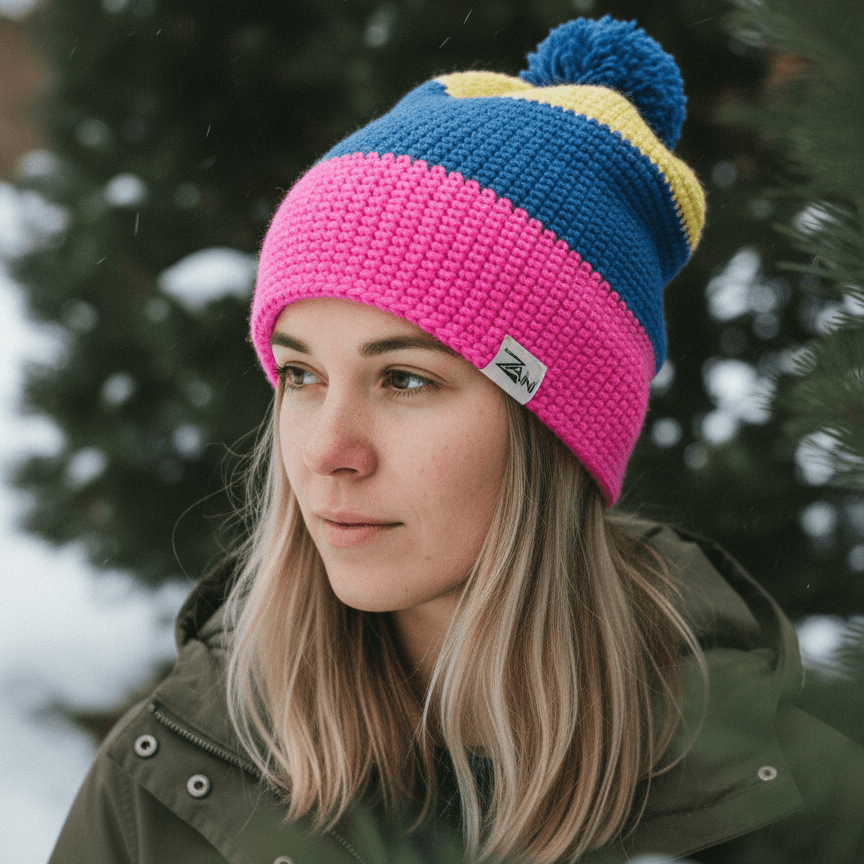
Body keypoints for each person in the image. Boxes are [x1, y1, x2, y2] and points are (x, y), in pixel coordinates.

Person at [49, 16, 863, 864]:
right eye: (301, 375)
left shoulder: (797, 813)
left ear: (553, 427)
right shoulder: (172, 776)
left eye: (405, 379)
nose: (330, 451)